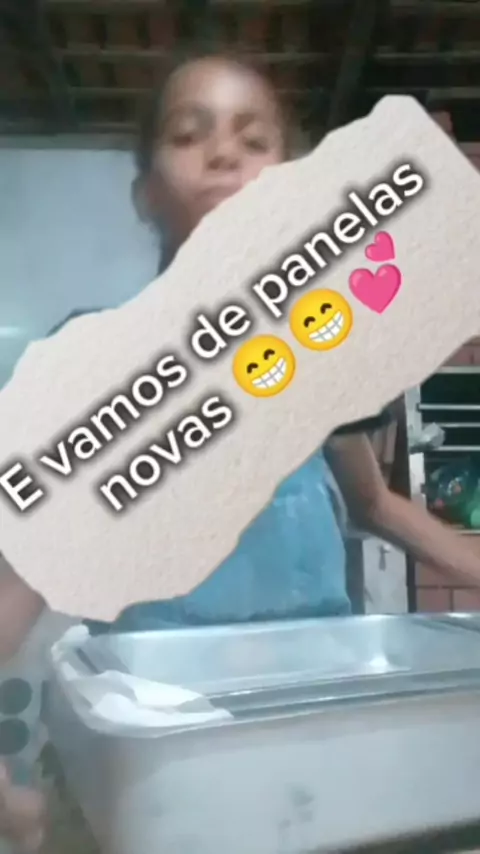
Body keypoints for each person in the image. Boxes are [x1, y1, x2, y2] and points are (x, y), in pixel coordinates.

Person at [2, 51, 480, 853]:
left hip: (320, 730)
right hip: (169, 752)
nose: (223, 152)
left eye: (254, 140)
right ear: (146, 193)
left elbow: (375, 504)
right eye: (189, 134)